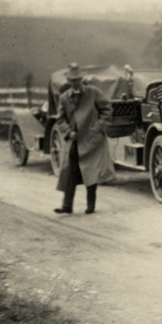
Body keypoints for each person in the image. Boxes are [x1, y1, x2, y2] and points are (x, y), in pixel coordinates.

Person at [53, 63, 116, 215]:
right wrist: (68, 132)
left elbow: (107, 108)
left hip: (91, 139)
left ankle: (90, 205)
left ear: (81, 79)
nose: (75, 82)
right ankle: (67, 206)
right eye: (72, 80)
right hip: (74, 140)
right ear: (68, 81)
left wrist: (100, 127)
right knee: (70, 172)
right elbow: (60, 119)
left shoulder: (93, 92)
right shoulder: (64, 98)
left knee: (91, 171)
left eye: (77, 79)